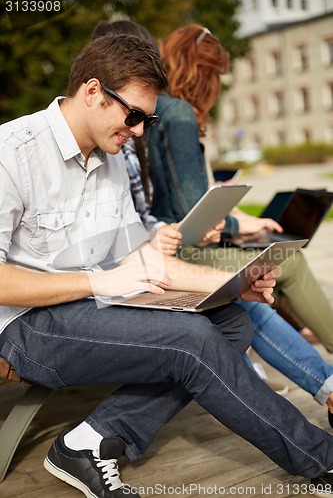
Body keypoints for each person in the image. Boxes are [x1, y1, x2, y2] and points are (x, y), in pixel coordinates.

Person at [1, 33, 333, 498]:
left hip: (95, 306)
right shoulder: (13, 151)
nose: (139, 130)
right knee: (191, 340)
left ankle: (91, 440)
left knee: (233, 324)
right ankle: (321, 459)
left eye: (146, 119)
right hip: (25, 326)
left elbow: (147, 261)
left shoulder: (112, 158)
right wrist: (101, 280)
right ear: (93, 91)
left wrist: (236, 282)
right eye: (133, 115)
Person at [92, 19, 333, 415]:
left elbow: (145, 214)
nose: (137, 130)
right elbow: (184, 212)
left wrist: (189, 226)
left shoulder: (137, 127)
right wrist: (232, 224)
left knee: (253, 289)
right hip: (161, 259)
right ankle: (317, 385)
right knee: (272, 271)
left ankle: (320, 386)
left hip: (160, 250)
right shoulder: (172, 117)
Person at [146, 23, 333, 357]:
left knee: (271, 258)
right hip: (183, 253)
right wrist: (238, 226)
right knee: (289, 261)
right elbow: (197, 221)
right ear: (204, 74)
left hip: (161, 245)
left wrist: (236, 218)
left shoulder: (150, 111)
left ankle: (312, 378)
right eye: (217, 76)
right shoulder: (181, 116)